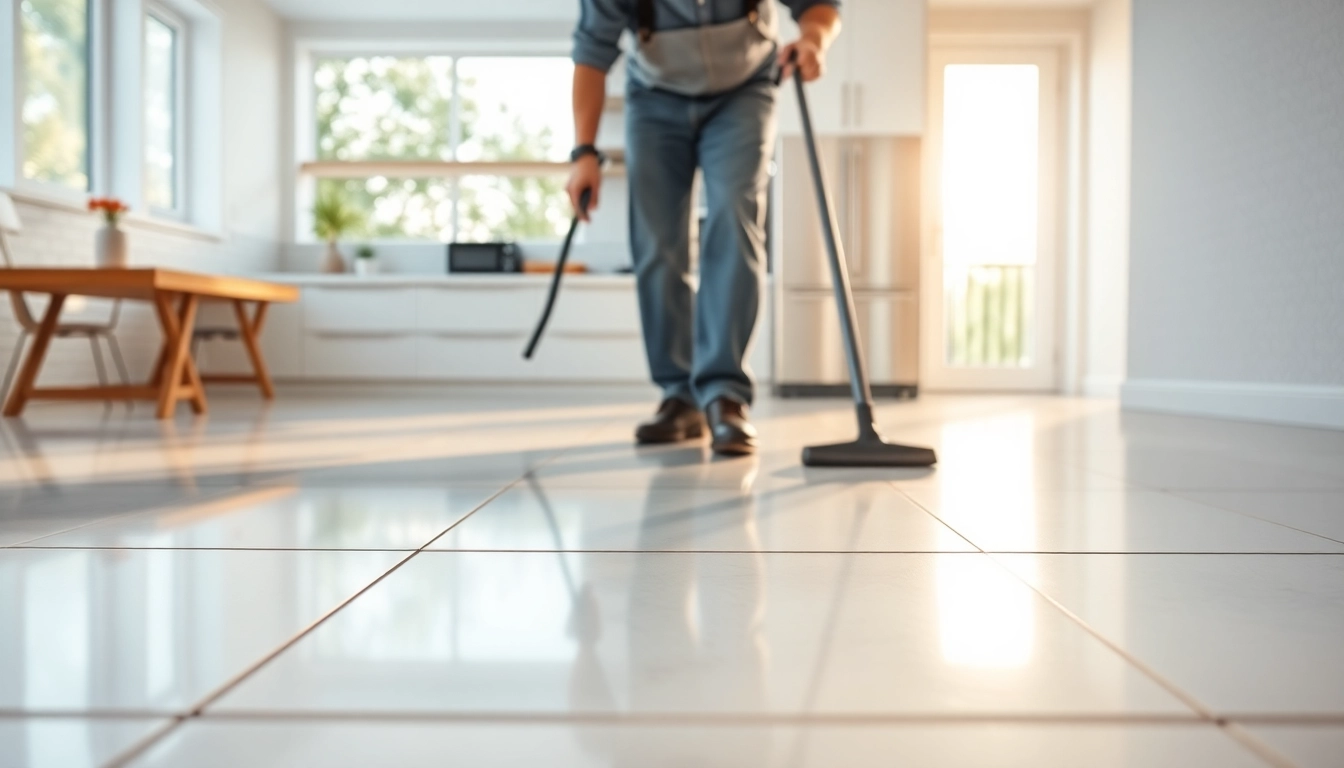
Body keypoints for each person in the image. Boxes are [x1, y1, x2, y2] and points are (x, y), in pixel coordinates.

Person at [568, 0, 842, 456]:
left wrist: (814, 39)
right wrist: (583, 153)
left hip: (744, 92)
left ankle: (723, 394)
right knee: (657, 240)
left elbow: (820, 6)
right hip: (654, 99)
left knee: (735, 216)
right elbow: (591, 54)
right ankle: (680, 395)